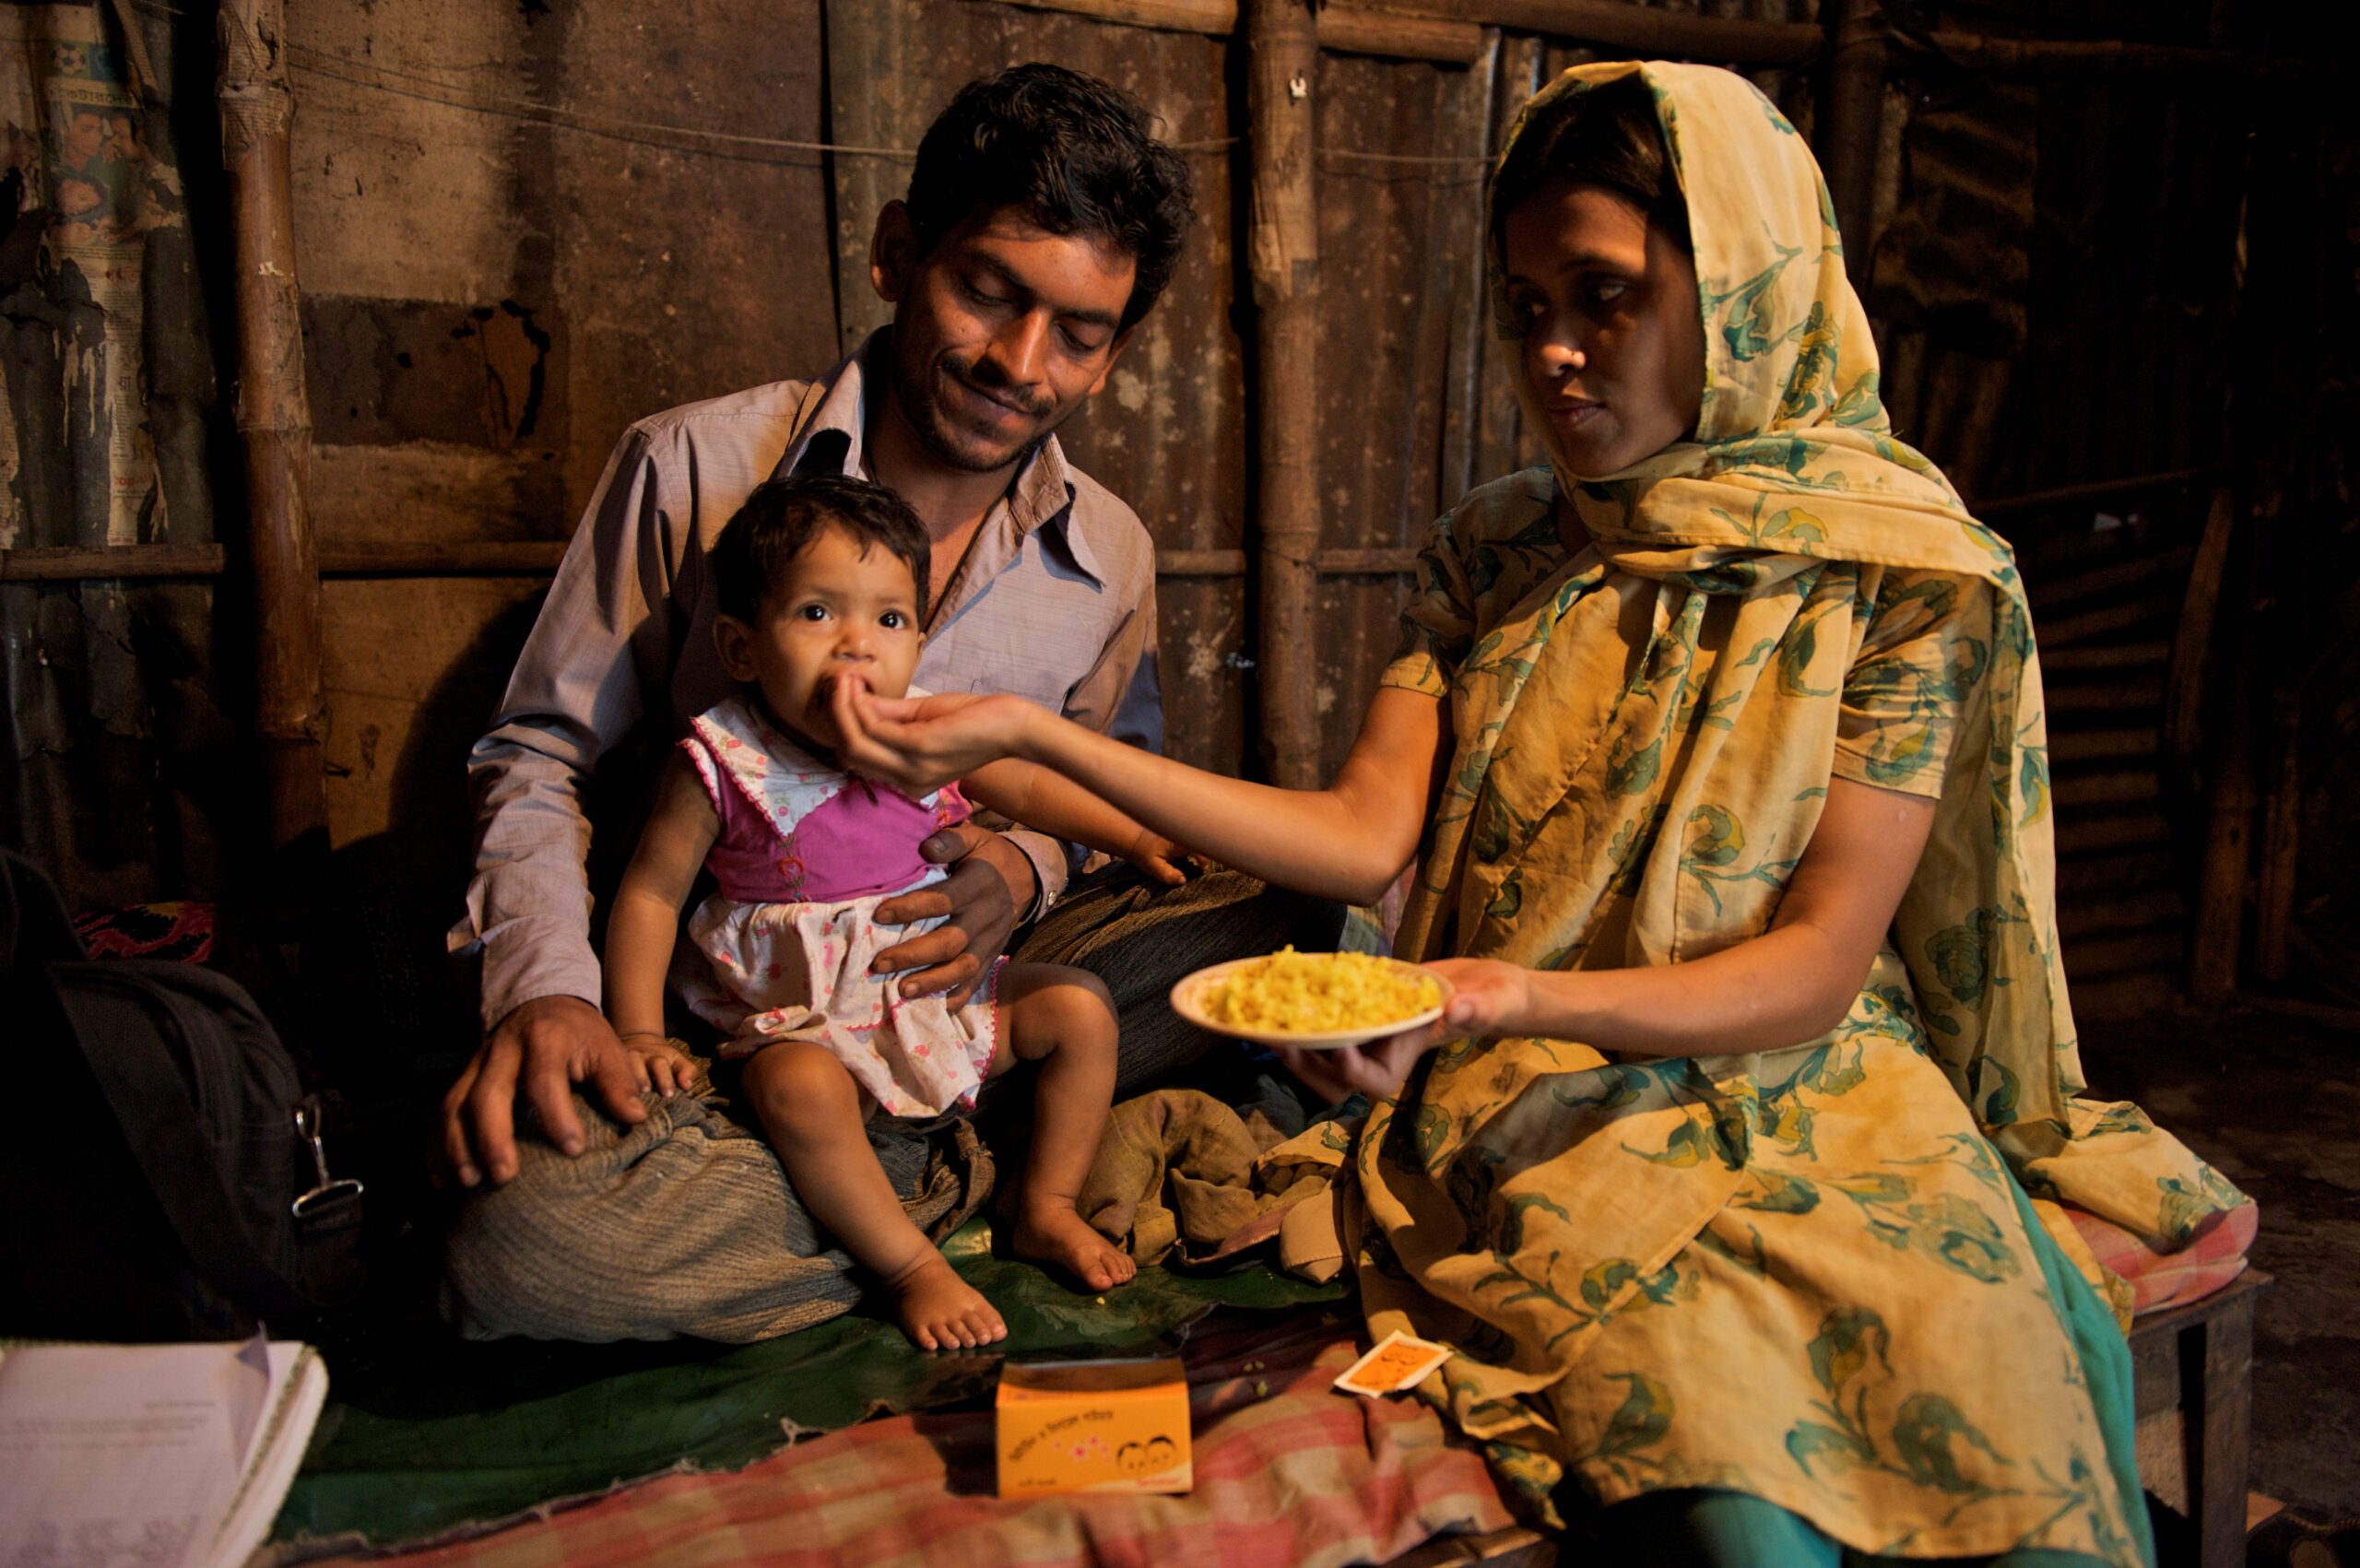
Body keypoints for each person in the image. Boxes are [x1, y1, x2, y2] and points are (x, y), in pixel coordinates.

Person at [834, 62, 2249, 1565]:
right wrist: (1033, 737)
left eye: (1606, 297)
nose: (1558, 354)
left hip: (1814, 1083)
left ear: (1742, 293)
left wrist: (1505, 990)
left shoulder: (1905, 575)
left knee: (2012, 1475)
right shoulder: (1496, 549)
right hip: (1534, 1086)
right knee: (1739, 1522)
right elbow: (1364, 836)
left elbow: (1825, 960)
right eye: (1525, 306)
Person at [440, 64, 1342, 1343]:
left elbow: (1097, 805)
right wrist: (550, 992)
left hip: (977, 995)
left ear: (1115, 350)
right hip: (763, 1028)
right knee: (525, 1248)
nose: (1022, 364)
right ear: (896, 253)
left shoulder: (1113, 555)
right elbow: (536, 754)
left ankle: (911, 1174)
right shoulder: (691, 470)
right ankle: (929, 1182)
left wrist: (1019, 875)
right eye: (988, 291)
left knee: (1293, 909)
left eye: (1080, 334)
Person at [608, 475, 1169, 1349]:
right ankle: (909, 1262)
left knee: (1082, 1011)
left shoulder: (924, 733)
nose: (857, 648)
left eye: (890, 620)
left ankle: (1044, 1205)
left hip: (940, 996)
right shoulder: (725, 762)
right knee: (793, 1091)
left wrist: (1132, 834)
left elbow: (1022, 782)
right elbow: (648, 892)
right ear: (743, 646)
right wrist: (637, 1031)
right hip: (811, 1025)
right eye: (818, 614)